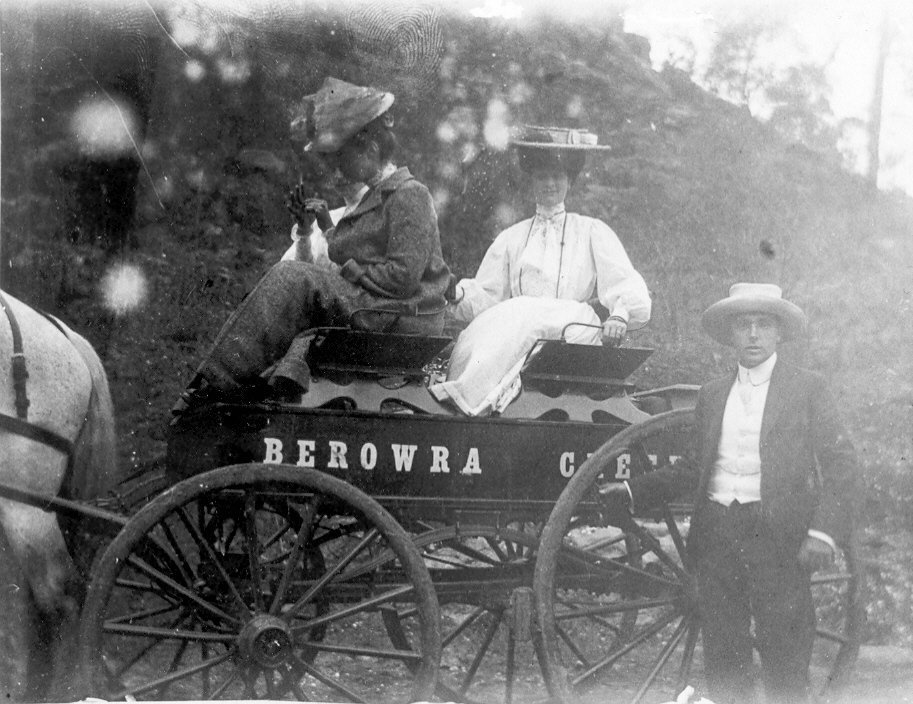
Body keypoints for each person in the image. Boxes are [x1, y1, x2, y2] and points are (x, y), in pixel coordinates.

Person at [600, 282, 859, 704]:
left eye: (763, 325)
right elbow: (695, 468)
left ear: (779, 334)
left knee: (785, 654)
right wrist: (633, 489)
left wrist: (823, 533)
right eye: (744, 325)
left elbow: (842, 463)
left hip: (777, 538)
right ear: (731, 335)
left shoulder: (808, 389)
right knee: (724, 655)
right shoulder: (713, 394)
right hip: (717, 535)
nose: (753, 334)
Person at [173, 78, 451, 413]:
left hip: (405, 317)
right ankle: (239, 383)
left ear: (370, 149)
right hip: (382, 308)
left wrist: (348, 272)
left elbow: (403, 277)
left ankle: (218, 383)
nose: (336, 167)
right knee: (295, 280)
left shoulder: (410, 194)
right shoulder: (378, 195)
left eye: (340, 156)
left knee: (295, 279)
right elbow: (353, 249)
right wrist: (324, 229)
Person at [430, 125, 651, 416]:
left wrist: (620, 314)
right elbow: (488, 298)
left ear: (569, 181)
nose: (549, 183)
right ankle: (466, 399)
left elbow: (624, 281)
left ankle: (471, 400)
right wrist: (457, 292)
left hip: (572, 326)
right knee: (481, 331)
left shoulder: (590, 231)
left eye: (557, 176)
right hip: (521, 324)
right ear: (531, 181)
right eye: (542, 176)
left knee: (521, 314)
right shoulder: (512, 237)